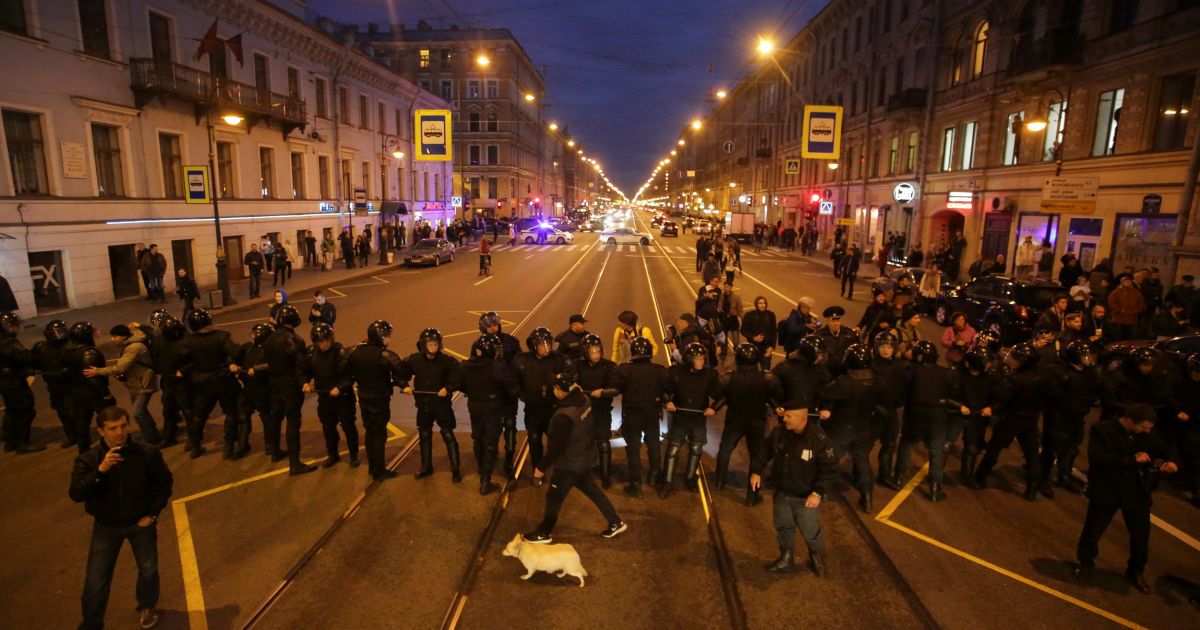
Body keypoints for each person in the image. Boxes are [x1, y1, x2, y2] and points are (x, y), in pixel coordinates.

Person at [69, 406, 172, 630]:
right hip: (106, 527)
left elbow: (164, 484)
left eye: (123, 426)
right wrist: (101, 471)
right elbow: (76, 493)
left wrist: (152, 514)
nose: (119, 432)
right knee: (96, 581)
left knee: (148, 569)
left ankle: (146, 606)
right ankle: (92, 624)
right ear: (101, 431)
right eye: (112, 428)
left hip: (140, 523)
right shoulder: (88, 460)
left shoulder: (146, 453)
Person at [1073, 403, 1178, 593]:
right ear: (1129, 421)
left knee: (1141, 535)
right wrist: (1131, 460)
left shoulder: (1148, 434)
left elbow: (1165, 448)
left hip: (1137, 492)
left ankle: (1136, 570)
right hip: (1108, 489)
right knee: (1093, 529)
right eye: (1143, 427)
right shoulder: (1102, 430)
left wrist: (1171, 461)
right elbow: (1098, 459)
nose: (1146, 431)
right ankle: (1086, 562)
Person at [524, 373, 628, 544]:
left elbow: (556, 447)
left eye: (555, 388)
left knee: (553, 498)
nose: (553, 391)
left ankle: (544, 532)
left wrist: (541, 468)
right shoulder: (584, 401)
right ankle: (615, 521)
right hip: (584, 459)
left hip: (568, 465)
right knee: (594, 492)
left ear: (561, 391)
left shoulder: (564, 416)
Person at [750, 404, 837, 576]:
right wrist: (756, 470)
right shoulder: (780, 434)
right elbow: (763, 451)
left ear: (803, 418)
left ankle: (816, 555)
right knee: (783, 526)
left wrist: (818, 493)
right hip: (783, 492)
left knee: (810, 530)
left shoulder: (819, 440)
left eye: (789, 417)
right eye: (785, 416)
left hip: (806, 497)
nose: (784, 419)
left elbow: (829, 470)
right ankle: (786, 558)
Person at [974, 342, 1051, 501]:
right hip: (1031, 419)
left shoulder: (1015, 379)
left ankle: (980, 476)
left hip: (1012, 419)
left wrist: (992, 408)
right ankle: (1032, 488)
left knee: (994, 448)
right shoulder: (1042, 376)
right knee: (1032, 453)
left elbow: (1002, 398)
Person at [887, 341, 958, 502]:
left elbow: (903, 393)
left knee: (906, 446)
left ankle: (898, 478)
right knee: (936, 452)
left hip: (915, 414)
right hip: (938, 416)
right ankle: (935, 489)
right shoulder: (946, 373)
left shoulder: (911, 371)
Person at [713, 343, 782, 505]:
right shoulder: (766, 378)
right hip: (757, 422)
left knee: (725, 450)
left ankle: (719, 481)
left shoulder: (729, 377)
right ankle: (752, 495)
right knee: (757, 456)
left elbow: (717, 392)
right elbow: (775, 393)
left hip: (734, 421)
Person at [448, 334, 513, 495]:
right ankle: (485, 480)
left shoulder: (465, 366)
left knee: (478, 437)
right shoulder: (495, 366)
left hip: (474, 406)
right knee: (491, 442)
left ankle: (480, 465)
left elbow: (459, 384)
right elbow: (507, 385)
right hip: (493, 407)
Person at [344, 321, 408, 481]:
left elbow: (344, 367)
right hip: (380, 399)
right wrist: (402, 383)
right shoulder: (384, 355)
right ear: (381, 337)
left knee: (370, 431)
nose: (389, 339)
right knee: (379, 434)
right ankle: (379, 470)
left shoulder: (356, 352)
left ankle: (372, 466)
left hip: (364, 397)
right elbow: (401, 371)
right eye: (387, 336)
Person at [819, 344, 878, 513]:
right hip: (864, 428)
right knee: (862, 462)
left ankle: (822, 492)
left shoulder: (845, 383)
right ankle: (867, 499)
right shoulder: (874, 381)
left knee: (830, 460)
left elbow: (826, 393)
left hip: (842, 429)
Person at [1038, 341, 1101, 498]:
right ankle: (1042, 479)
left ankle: (1064, 476)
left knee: (1071, 448)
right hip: (1058, 416)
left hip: (1078, 416)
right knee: (1051, 448)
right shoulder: (1058, 371)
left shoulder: (1090, 373)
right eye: (1083, 355)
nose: (1087, 359)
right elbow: (1048, 393)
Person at [660, 342, 720, 498]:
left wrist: (714, 407)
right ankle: (667, 481)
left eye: (702, 358)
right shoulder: (675, 372)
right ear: (688, 359)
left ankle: (690, 478)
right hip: (680, 417)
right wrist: (668, 401)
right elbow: (664, 390)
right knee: (673, 450)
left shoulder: (709, 375)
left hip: (698, 418)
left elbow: (719, 394)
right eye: (697, 358)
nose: (701, 361)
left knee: (696, 449)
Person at [612, 337, 670, 497]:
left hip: (632, 415)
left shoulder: (624, 369)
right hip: (652, 414)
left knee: (633, 449)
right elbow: (667, 389)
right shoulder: (659, 370)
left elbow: (616, 387)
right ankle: (654, 477)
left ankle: (636, 485)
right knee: (653, 446)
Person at [85, 325, 161, 446]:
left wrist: (98, 371)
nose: (112, 339)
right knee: (142, 411)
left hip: (143, 383)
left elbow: (121, 368)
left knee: (138, 412)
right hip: (137, 383)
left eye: (115, 336)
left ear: (123, 336)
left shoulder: (134, 347)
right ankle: (153, 435)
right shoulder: (129, 345)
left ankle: (151, 439)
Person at [402, 328, 461, 481]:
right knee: (424, 435)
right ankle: (426, 467)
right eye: (430, 344)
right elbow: (400, 372)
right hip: (424, 405)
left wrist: (447, 388)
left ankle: (456, 468)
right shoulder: (414, 360)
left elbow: (458, 375)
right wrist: (404, 385)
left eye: (436, 344)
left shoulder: (447, 361)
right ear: (423, 345)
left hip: (442, 405)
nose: (433, 347)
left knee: (448, 434)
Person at [264, 304, 316, 476]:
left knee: (275, 418)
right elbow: (300, 366)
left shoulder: (269, 339)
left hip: (274, 384)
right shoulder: (295, 341)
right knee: (293, 422)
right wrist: (306, 380)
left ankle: (275, 451)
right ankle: (295, 463)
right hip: (290, 386)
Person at [182, 310, 240, 459]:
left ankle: (195, 445)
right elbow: (235, 352)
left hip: (202, 381)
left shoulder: (189, 341)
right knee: (231, 413)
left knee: (199, 415)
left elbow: (184, 361)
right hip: (222, 379)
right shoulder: (221, 336)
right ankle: (229, 446)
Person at [513, 327, 571, 472]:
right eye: (542, 345)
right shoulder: (523, 361)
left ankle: (559, 469)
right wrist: (522, 395)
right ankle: (537, 469)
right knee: (534, 440)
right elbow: (514, 382)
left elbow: (569, 377)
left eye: (548, 344)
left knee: (557, 441)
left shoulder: (559, 359)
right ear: (534, 346)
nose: (546, 348)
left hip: (554, 409)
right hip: (533, 409)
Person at [305, 323, 359, 469]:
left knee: (348, 427)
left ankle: (354, 455)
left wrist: (339, 387)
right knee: (328, 428)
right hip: (324, 397)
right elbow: (306, 371)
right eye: (320, 341)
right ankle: (333, 455)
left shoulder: (341, 352)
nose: (324, 344)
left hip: (343, 398)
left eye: (326, 340)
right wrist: (305, 383)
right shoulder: (312, 353)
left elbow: (351, 376)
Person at [478, 312, 524, 474]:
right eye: (489, 326)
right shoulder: (480, 344)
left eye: (495, 325)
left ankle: (509, 459)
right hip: (489, 394)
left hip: (508, 391)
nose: (493, 328)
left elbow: (520, 363)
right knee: (491, 427)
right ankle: (490, 456)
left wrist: (515, 384)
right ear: (484, 328)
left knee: (510, 425)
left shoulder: (511, 341)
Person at [64, 323, 116, 454]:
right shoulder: (89, 353)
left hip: (76, 391)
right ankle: (114, 446)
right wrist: (106, 394)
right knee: (109, 420)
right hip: (93, 394)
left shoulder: (69, 350)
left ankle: (83, 449)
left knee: (81, 421)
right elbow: (92, 378)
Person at [0, 312, 43, 453]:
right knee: (25, 411)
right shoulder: (8, 343)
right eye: (13, 326)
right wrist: (36, 353)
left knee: (11, 410)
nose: (16, 328)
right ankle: (22, 443)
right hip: (14, 381)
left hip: (5, 381)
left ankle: (10, 441)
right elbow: (23, 357)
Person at [233, 323, 272, 460]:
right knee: (243, 416)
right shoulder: (248, 348)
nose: (253, 336)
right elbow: (234, 356)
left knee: (267, 418)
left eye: (255, 334)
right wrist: (233, 364)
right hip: (248, 388)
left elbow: (275, 365)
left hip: (263, 390)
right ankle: (242, 445)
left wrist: (257, 369)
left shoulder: (270, 351)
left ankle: (270, 445)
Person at [33, 319, 75, 448]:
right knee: (62, 411)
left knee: (73, 411)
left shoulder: (69, 347)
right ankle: (71, 436)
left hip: (69, 385)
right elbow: (35, 362)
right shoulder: (41, 348)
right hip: (54, 385)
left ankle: (80, 435)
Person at [741, 296, 777, 371]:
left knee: (766, 371)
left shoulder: (771, 315)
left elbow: (774, 332)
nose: (763, 305)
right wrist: (754, 337)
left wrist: (772, 347)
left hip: (766, 348)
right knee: (751, 371)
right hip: (753, 348)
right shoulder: (749, 315)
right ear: (756, 304)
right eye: (760, 303)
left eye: (764, 303)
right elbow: (743, 330)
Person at [1107, 273, 1145, 341]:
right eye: (1126, 281)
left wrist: (1137, 310)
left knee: (1132, 337)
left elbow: (1141, 303)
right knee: (1118, 337)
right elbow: (1112, 303)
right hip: (1119, 319)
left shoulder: (1137, 293)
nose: (1128, 283)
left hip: (1132, 319)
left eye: (1129, 281)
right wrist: (1120, 310)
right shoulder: (1115, 292)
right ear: (1122, 282)